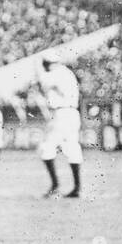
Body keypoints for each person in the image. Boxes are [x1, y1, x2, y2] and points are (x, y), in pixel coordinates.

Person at [35, 54, 82, 198]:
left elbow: (42, 82)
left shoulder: (56, 73)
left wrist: (36, 68)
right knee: (72, 148)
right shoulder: (67, 73)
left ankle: (55, 185)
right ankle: (77, 187)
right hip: (72, 113)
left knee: (46, 148)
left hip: (61, 114)